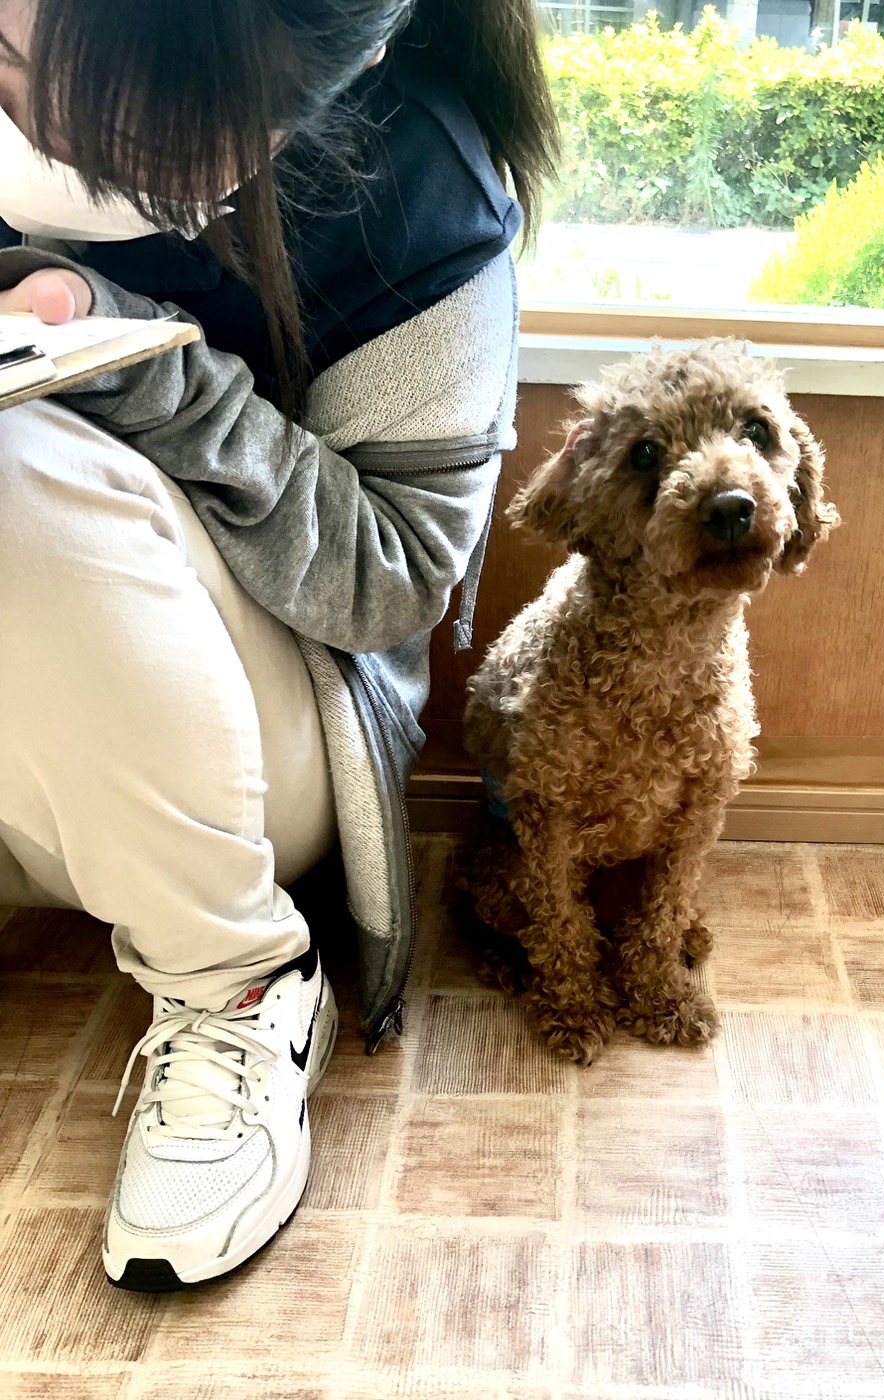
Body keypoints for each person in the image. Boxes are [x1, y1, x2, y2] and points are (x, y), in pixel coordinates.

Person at [0, 0, 557, 1291]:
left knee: (16, 467)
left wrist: (132, 362)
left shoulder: (413, 191)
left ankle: (234, 983)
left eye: (99, 105)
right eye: (8, 63)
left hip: (269, 744)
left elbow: (390, 581)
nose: (35, 122)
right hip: (40, 759)